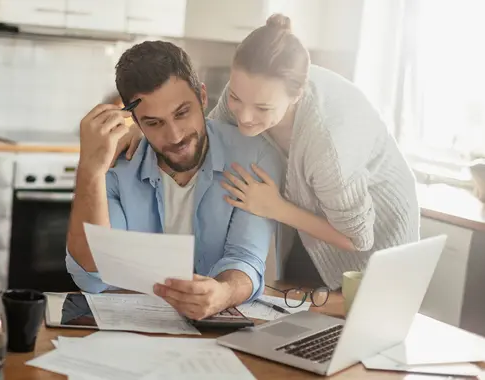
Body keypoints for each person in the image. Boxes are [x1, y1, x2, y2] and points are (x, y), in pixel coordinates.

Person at [115, 14, 420, 290]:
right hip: (314, 226)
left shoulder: (328, 147)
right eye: (235, 97)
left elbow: (357, 238)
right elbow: (208, 136)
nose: (244, 117)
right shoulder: (250, 94)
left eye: (262, 107)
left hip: (375, 243)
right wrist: (145, 127)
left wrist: (276, 208)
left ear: (296, 95)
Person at [65, 40, 284, 320]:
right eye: (154, 123)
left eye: (182, 113)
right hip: (133, 328)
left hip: (217, 331)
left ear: (203, 97)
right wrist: (90, 171)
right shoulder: (116, 163)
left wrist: (223, 292)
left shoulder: (254, 156)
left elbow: (246, 257)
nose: (176, 136)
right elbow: (92, 268)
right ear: (136, 121)